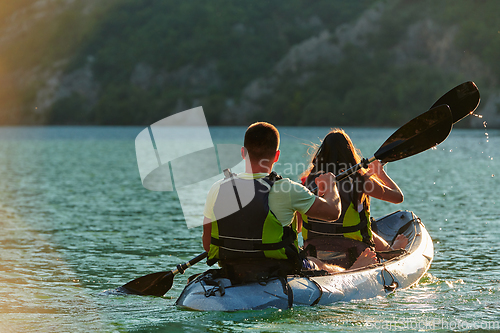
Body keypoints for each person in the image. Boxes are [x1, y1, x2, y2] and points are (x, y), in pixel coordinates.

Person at [201, 122, 343, 282]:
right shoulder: (288, 189)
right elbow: (333, 212)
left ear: (243, 153)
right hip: (277, 269)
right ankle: (354, 269)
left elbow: (208, 246)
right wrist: (331, 186)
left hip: (231, 268)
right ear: (277, 156)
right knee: (318, 263)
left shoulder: (217, 188)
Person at [299, 128, 408, 269]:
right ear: (350, 154)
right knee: (363, 225)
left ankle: (389, 250)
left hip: (313, 254)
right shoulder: (360, 181)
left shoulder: (307, 182)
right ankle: (390, 251)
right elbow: (398, 197)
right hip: (355, 253)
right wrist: (381, 174)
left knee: (364, 226)